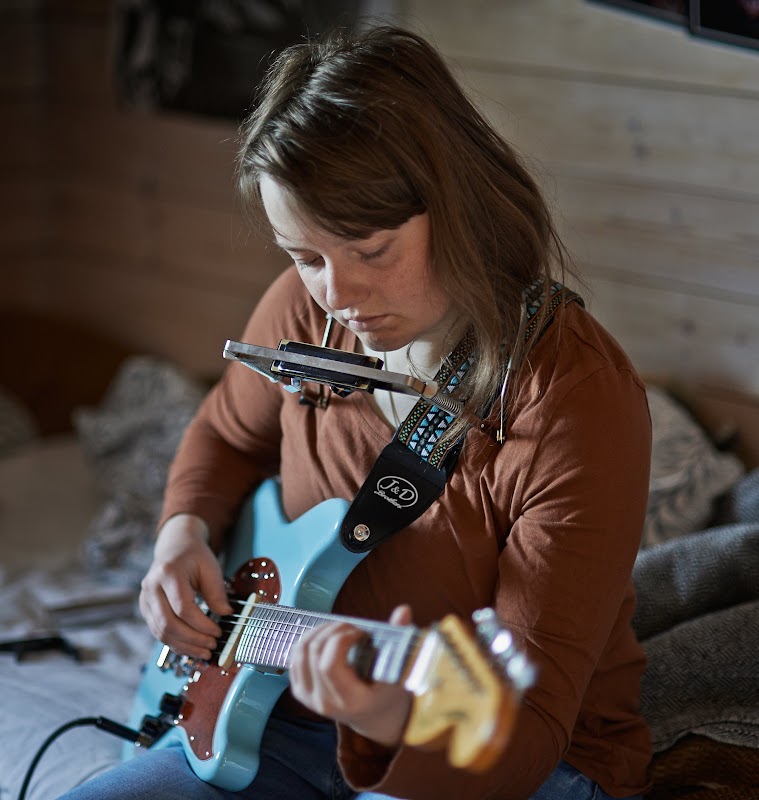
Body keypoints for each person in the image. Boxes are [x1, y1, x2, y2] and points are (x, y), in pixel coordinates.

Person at [56, 23, 652, 800]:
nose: (337, 296)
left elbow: (529, 718)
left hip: (516, 752)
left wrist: (386, 715)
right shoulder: (303, 312)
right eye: (304, 256)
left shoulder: (575, 399)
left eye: (370, 250)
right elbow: (227, 434)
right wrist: (182, 532)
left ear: (461, 206)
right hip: (280, 718)